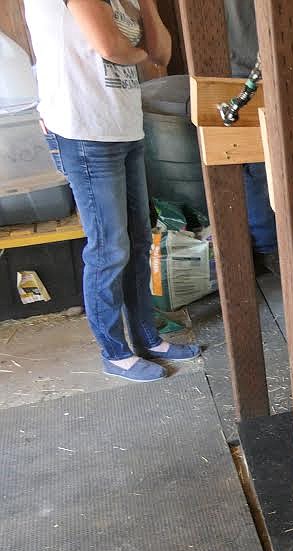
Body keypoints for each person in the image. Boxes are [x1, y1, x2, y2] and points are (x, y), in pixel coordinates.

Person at [24, 0, 200, 382]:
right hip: (83, 130)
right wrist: (141, 54)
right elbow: (110, 48)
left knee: (137, 242)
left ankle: (147, 337)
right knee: (108, 249)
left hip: (123, 126)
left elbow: (163, 53)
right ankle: (114, 352)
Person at [223, 0, 279, 275]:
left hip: (260, 71)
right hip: (244, 73)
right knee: (254, 169)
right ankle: (266, 246)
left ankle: (266, 245)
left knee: (255, 169)